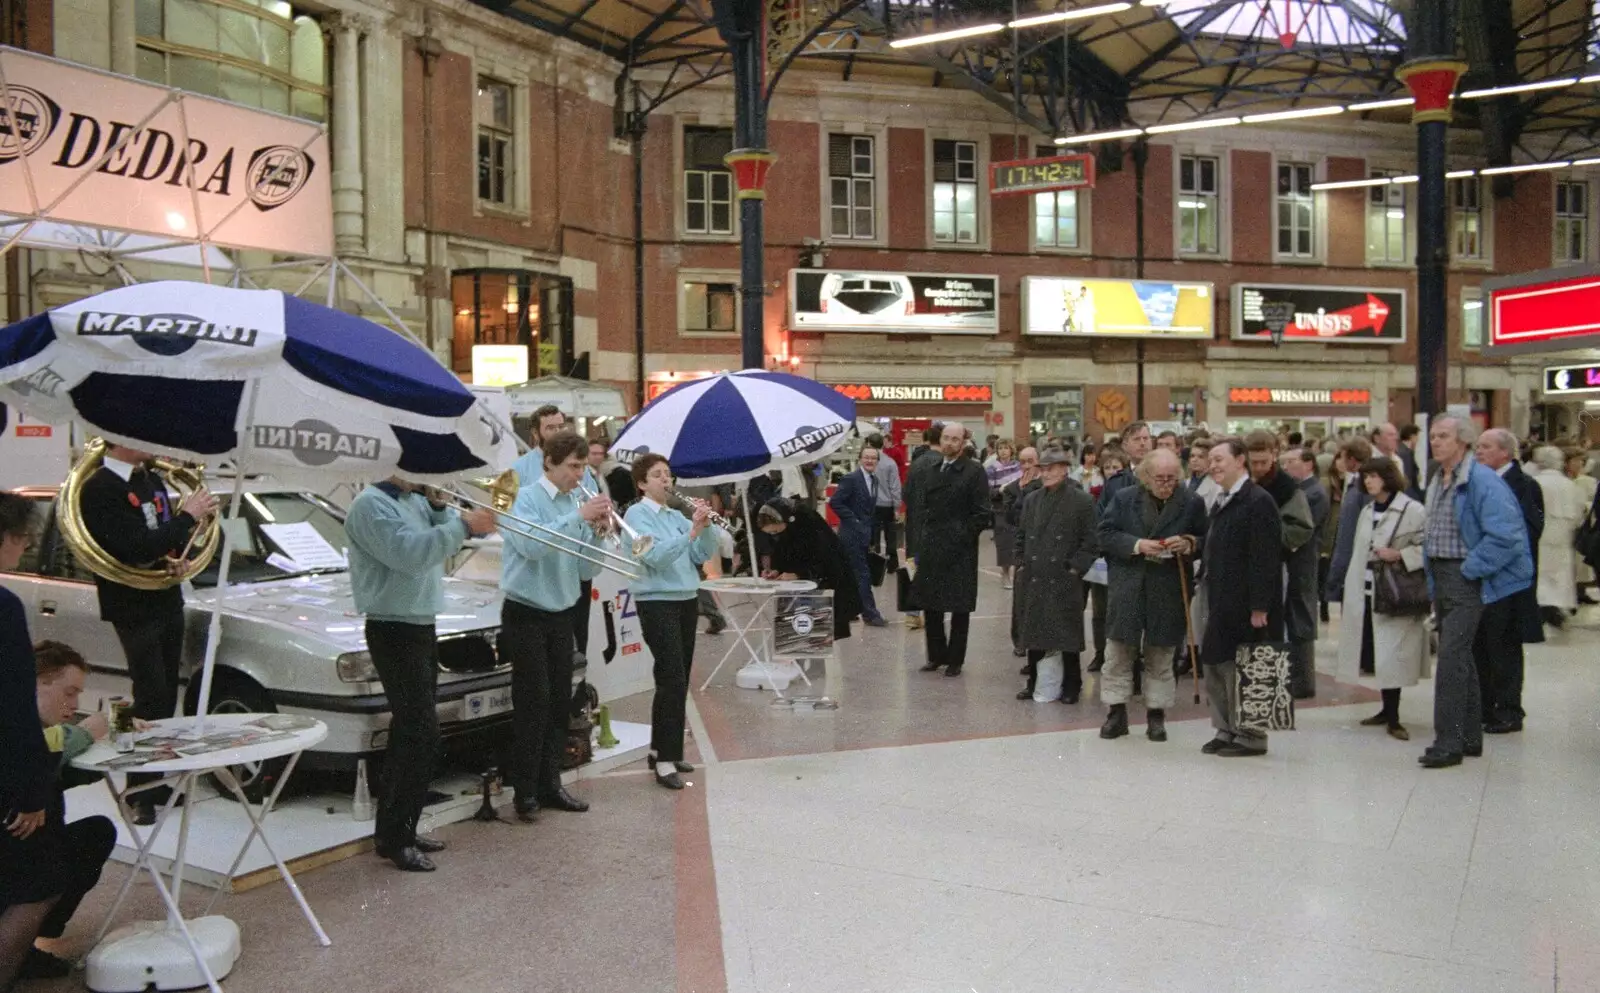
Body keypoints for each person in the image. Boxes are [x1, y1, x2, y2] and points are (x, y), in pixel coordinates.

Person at [345, 476, 494, 870]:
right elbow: (410, 553)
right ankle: (398, 838)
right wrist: (463, 525)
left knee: (412, 734)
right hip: (392, 627)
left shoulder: (412, 500)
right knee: (419, 733)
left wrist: (442, 507)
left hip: (419, 622)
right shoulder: (371, 505)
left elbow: (435, 549)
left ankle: (397, 830)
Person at [79, 444, 218, 824]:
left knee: (164, 695)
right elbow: (133, 548)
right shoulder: (100, 487)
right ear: (118, 440)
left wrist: (178, 556)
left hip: (163, 598)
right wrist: (188, 516)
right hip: (132, 604)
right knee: (147, 694)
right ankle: (135, 786)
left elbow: (158, 539)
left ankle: (153, 780)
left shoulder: (150, 479)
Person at [498, 432, 606, 820]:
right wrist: (578, 517)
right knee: (534, 702)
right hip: (526, 612)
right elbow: (531, 547)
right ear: (549, 464)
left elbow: (585, 569)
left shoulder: (577, 502)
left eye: (583, 467)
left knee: (560, 702)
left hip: (562, 612)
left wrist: (598, 534)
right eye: (573, 467)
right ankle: (524, 792)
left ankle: (551, 784)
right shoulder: (524, 498)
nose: (580, 476)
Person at [1419, 416, 1533, 769]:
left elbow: (1507, 537)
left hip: (1464, 576)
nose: (1435, 442)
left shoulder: (1481, 481)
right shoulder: (1439, 478)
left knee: (1452, 658)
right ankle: (1468, 737)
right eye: (1433, 436)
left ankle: (1448, 742)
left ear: (1462, 442)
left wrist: (1470, 569)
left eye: (1443, 437)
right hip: (1443, 574)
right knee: (1462, 657)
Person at [2, 497, 75, 987]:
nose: (26, 546)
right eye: (21, 537)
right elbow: (14, 708)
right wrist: (32, 794)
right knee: (36, 885)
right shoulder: (4, 606)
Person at [1097, 450, 1206, 741]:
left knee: (1161, 653)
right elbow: (1104, 534)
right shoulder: (1124, 499)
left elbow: (1207, 537)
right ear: (1145, 476)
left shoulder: (1191, 502)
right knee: (1119, 651)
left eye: (1172, 479)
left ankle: (1156, 715)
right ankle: (1116, 712)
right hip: (1129, 584)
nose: (1166, 484)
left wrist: (1189, 542)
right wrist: (1136, 545)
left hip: (1168, 586)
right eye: (1160, 478)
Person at [625, 455, 717, 791]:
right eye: (657, 475)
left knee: (680, 677)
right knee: (671, 676)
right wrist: (690, 531)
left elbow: (699, 555)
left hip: (685, 598)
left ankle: (666, 748)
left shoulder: (676, 515)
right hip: (656, 601)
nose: (666, 480)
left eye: (668, 474)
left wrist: (705, 527)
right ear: (642, 483)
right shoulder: (635, 516)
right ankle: (664, 759)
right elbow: (655, 558)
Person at [28, 642, 118, 978]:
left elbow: (56, 768)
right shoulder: (18, 725)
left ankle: (29, 938)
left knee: (95, 832)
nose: (74, 704)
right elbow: (43, 751)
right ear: (39, 683)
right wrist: (84, 733)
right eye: (69, 692)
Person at [1199, 438, 1281, 757]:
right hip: (1220, 596)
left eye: (1220, 459)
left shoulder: (1258, 501)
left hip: (1246, 601)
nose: (1213, 465)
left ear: (1240, 461)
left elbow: (1266, 556)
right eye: (1211, 460)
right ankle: (1227, 727)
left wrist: (1261, 605)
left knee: (1248, 666)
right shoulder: (1223, 498)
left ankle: (1252, 735)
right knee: (1217, 662)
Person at [1336, 458, 1428, 740]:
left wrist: (1401, 555)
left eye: (1373, 476)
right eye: (1365, 477)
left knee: (1393, 654)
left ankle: (1394, 714)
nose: (1368, 482)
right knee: (1380, 652)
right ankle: (1386, 709)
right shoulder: (1367, 510)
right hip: (1365, 589)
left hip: (1393, 591)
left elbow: (1427, 547)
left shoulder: (1412, 509)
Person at [514, 407, 603, 660]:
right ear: (535, 433)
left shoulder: (581, 468)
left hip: (575, 564)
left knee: (577, 641)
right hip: (540, 567)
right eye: (550, 427)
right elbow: (513, 519)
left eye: (561, 426)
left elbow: (590, 499)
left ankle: (577, 690)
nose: (557, 432)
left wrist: (599, 521)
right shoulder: (519, 468)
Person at [1470, 429, 1544, 735]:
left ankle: (1509, 709)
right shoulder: (1476, 483)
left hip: (1510, 583)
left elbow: (1526, 533)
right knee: (1481, 645)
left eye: (1486, 447)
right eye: (1478, 446)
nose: (1479, 451)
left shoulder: (1524, 485)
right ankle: (1484, 706)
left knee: (1505, 646)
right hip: (1481, 580)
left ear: (1506, 453)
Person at [904, 422, 990, 677]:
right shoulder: (931, 469)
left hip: (959, 550)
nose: (949, 443)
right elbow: (919, 509)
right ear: (939, 440)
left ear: (963, 443)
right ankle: (935, 656)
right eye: (946, 438)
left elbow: (982, 514)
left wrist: (960, 536)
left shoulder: (974, 472)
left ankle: (955, 660)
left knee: (959, 606)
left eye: (955, 439)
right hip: (931, 546)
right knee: (931, 604)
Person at [1012, 449, 1097, 704]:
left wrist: (1075, 569)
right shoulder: (1032, 499)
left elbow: (1091, 542)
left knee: (1066, 634)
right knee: (1034, 631)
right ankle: (1035, 682)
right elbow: (1022, 534)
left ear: (1064, 469)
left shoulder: (1081, 501)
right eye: (1044, 468)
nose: (1046, 473)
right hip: (1035, 574)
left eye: (1052, 468)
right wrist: (1021, 563)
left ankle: (1072, 684)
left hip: (1063, 576)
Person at [1244, 431, 1317, 698]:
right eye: (1255, 462)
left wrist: (1272, 538)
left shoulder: (1287, 487)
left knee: (1279, 625)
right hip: (1250, 567)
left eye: (1264, 461)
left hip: (1282, 565)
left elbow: (1302, 527)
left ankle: (1283, 684)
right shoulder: (1241, 481)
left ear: (1274, 455)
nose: (1259, 468)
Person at [757, 498, 861, 640]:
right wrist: (776, 570)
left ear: (786, 520)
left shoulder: (809, 525)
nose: (774, 535)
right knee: (801, 637)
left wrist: (800, 574)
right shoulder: (789, 527)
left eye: (775, 530)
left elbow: (824, 559)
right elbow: (785, 551)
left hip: (825, 586)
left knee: (816, 639)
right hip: (800, 595)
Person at [1283, 445, 1329, 697]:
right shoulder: (1302, 490)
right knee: (1294, 614)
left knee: (1301, 616)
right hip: (1296, 562)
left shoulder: (1314, 493)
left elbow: (1303, 528)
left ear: (1308, 463)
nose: (1286, 467)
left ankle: (1303, 680)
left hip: (1303, 561)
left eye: (1291, 461)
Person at [828, 446, 887, 627]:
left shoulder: (874, 480)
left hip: (864, 535)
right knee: (863, 574)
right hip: (850, 535)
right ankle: (870, 613)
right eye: (866, 457)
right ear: (860, 459)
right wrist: (853, 520)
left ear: (877, 461)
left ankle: (847, 611)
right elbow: (835, 502)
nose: (870, 461)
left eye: (873, 458)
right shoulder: (851, 479)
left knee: (852, 574)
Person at [1530, 445, 1584, 629]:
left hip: (1541, 533)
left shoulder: (1535, 481)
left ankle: (1541, 607)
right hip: (1563, 533)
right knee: (1560, 572)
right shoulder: (1569, 484)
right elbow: (1578, 513)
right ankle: (1556, 608)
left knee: (1541, 571)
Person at [1326, 437, 1375, 622]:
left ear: (1352, 460)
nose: (1338, 461)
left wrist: (1338, 571)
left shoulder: (1361, 488)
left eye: (1342, 457)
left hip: (1355, 563)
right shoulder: (1353, 485)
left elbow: (1350, 534)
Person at [1003, 448, 1043, 671]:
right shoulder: (1011, 489)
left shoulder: (1045, 486)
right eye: (1023, 462)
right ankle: (1020, 642)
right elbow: (1011, 517)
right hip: (1023, 549)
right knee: (1020, 597)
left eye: (1031, 461)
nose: (1027, 466)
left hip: (1044, 548)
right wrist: (1021, 491)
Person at [986, 440, 1023, 589]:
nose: (1003, 451)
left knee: (1018, 541)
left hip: (1018, 507)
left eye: (1006, 448)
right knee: (1004, 543)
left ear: (1011, 450)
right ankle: (1005, 573)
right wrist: (999, 491)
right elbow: (988, 492)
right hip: (1000, 508)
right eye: (1000, 448)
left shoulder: (1018, 466)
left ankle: (1018, 573)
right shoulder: (991, 469)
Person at [1566, 448, 1598, 604]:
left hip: (1583, 524)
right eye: (1575, 461)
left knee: (1580, 562)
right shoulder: (1564, 481)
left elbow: (1594, 502)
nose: (1579, 464)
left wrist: (1586, 506)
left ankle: (1580, 590)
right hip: (1567, 526)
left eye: (1581, 461)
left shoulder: (1587, 481)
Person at [867, 434, 903, 572]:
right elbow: (895, 486)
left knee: (872, 536)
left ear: (869, 444)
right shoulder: (890, 463)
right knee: (890, 535)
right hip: (887, 504)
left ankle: (873, 564)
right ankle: (892, 565)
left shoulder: (866, 462)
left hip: (871, 504)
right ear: (883, 444)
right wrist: (897, 507)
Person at [590, 439, 636, 507]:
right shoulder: (586, 474)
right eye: (594, 454)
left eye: (601, 454)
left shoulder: (601, 474)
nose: (598, 457)